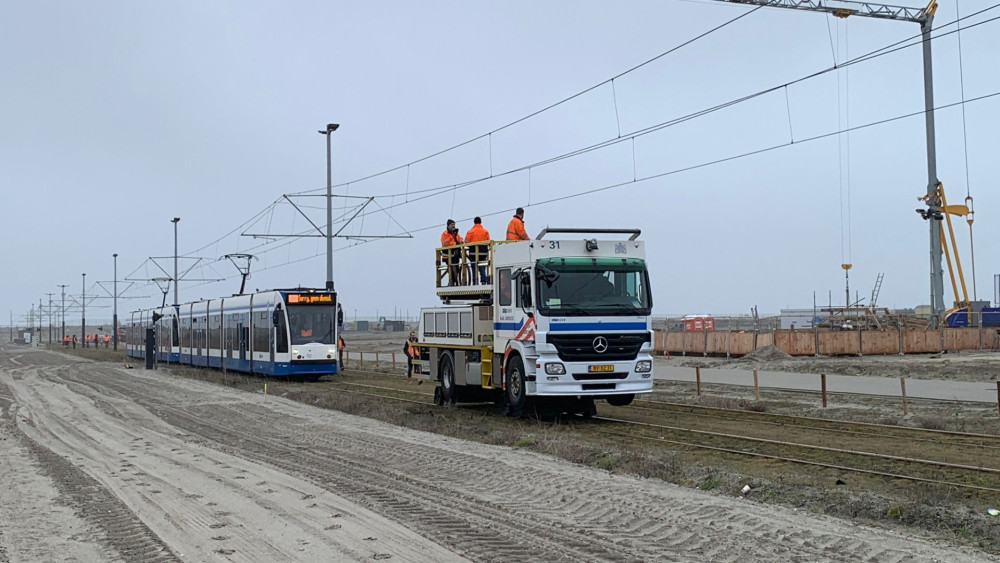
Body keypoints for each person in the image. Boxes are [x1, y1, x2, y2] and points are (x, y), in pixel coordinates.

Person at [464, 217, 491, 285]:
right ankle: (483, 280)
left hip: (473, 253)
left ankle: (475, 281)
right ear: (480, 222)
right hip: (483, 253)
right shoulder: (485, 231)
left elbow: (466, 242)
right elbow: (488, 241)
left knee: (474, 267)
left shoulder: (470, 232)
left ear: (474, 222)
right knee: (482, 266)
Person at [440, 219, 464, 286]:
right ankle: (451, 282)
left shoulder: (455, 233)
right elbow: (444, 243)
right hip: (447, 255)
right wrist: (454, 243)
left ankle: (454, 281)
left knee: (456, 268)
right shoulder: (445, 234)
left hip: (455, 254)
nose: (453, 226)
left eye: (454, 225)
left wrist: (461, 241)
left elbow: (460, 239)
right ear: (448, 226)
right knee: (451, 268)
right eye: (452, 225)